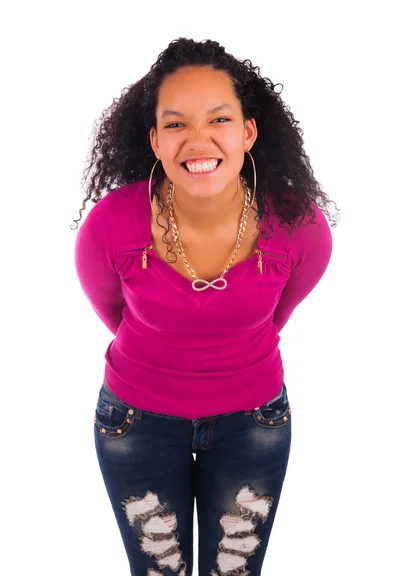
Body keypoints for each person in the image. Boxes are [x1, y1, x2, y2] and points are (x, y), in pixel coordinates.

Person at [72, 37, 339, 576]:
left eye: (218, 119)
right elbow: (111, 311)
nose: (198, 141)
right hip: (136, 424)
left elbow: (278, 313)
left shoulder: (299, 225)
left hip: (254, 425)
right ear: (153, 139)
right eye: (175, 124)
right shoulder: (112, 224)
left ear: (248, 131)